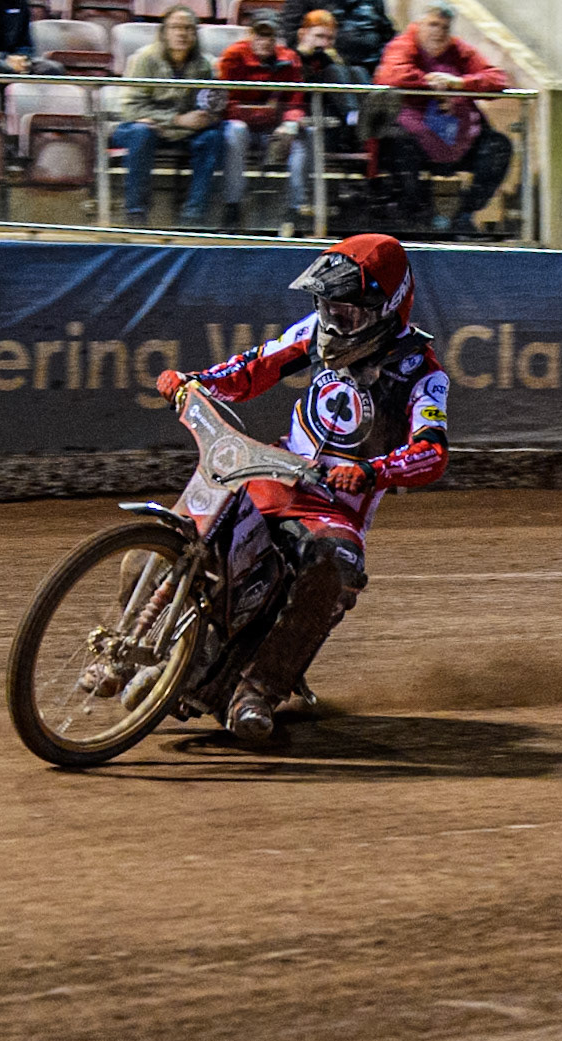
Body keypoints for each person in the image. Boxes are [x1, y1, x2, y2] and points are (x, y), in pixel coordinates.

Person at [153, 234, 450, 742]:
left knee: (336, 564)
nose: (335, 323)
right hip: (275, 472)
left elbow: (433, 452)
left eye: (349, 314)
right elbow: (253, 369)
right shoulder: (315, 332)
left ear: (388, 309)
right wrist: (195, 382)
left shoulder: (423, 372)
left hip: (335, 505)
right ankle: (141, 637)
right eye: (327, 308)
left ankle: (259, 690)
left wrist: (374, 470)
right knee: (180, 535)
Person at [374, 1, 512, 236]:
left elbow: (497, 79)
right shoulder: (404, 44)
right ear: (419, 25)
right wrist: (432, 84)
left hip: (457, 138)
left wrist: (459, 83)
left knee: (499, 146)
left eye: (445, 27)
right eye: (433, 24)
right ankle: (418, 219)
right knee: (398, 144)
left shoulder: (458, 49)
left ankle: (464, 214)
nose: (438, 32)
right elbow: (390, 75)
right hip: (414, 138)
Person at [112, 6, 227, 227]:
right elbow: (129, 109)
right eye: (176, 28)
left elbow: (213, 106)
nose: (182, 34)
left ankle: (194, 215)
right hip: (144, 128)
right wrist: (176, 120)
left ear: (195, 34)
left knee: (212, 137)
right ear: (164, 32)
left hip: (184, 131)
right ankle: (135, 213)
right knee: (140, 132)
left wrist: (207, 117)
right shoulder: (145, 59)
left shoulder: (205, 65)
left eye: (188, 28)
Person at [215, 13, 308, 231]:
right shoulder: (233, 56)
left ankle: (295, 211)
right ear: (250, 35)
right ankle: (232, 206)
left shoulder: (289, 58)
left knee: (304, 137)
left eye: (270, 36)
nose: (264, 41)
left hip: (275, 129)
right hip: (241, 125)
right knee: (234, 132)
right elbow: (224, 101)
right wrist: (264, 114)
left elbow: (296, 101)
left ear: (276, 38)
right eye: (259, 35)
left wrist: (289, 124)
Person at [294, 9, 368, 154]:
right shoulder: (292, 56)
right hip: (309, 106)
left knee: (358, 70)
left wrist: (336, 60)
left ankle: (371, 114)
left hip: (333, 109)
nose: (324, 43)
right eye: (319, 36)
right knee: (335, 70)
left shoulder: (329, 57)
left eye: (330, 38)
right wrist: (305, 54)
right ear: (303, 34)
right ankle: (353, 116)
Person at [279, 0, 394, 73]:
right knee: (337, 72)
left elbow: (388, 34)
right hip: (324, 64)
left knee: (360, 72)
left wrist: (386, 61)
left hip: (372, 65)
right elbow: (292, 36)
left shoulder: (373, 2)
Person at [0, 0, 66, 74]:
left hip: (14, 57)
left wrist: (21, 57)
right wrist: (7, 59)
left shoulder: (20, 3)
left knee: (53, 68)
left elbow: (26, 44)